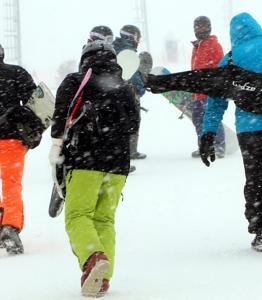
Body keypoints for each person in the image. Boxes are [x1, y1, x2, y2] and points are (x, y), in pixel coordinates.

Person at [200, 12, 262, 254]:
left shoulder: (231, 60)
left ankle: (261, 232)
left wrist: (208, 133)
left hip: (250, 130)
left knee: (256, 178)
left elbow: (216, 101)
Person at [49, 40, 139, 297]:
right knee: (104, 219)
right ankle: (102, 278)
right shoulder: (124, 87)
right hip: (118, 165)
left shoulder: (74, 81)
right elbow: (133, 125)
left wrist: (56, 149)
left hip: (84, 160)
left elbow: (59, 119)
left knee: (78, 215)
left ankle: (92, 258)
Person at [0, 44, 40, 255]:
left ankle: (2, 216)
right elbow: (37, 103)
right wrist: (33, 131)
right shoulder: (16, 73)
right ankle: (10, 227)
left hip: (10, 138)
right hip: (11, 141)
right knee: (11, 185)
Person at [191, 16, 225, 158]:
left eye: (204, 26)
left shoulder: (213, 45)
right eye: (198, 27)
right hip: (198, 93)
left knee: (211, 118)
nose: (201, 29)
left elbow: (221, 68)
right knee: (198, 119)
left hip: (210, 92)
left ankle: (219, 146)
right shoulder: (197, 46)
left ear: (209, 27)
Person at [113, 24, 147, 161]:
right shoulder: (128, 52)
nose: (138, 41)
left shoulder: (113, 48)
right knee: (132, 120)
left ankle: (119, 151)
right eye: (138, 38)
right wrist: (141, 88)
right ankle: (130, 151)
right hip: (128, 93)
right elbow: (132, 75)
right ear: (132, 37)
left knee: (118, 122)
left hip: (113, 93)